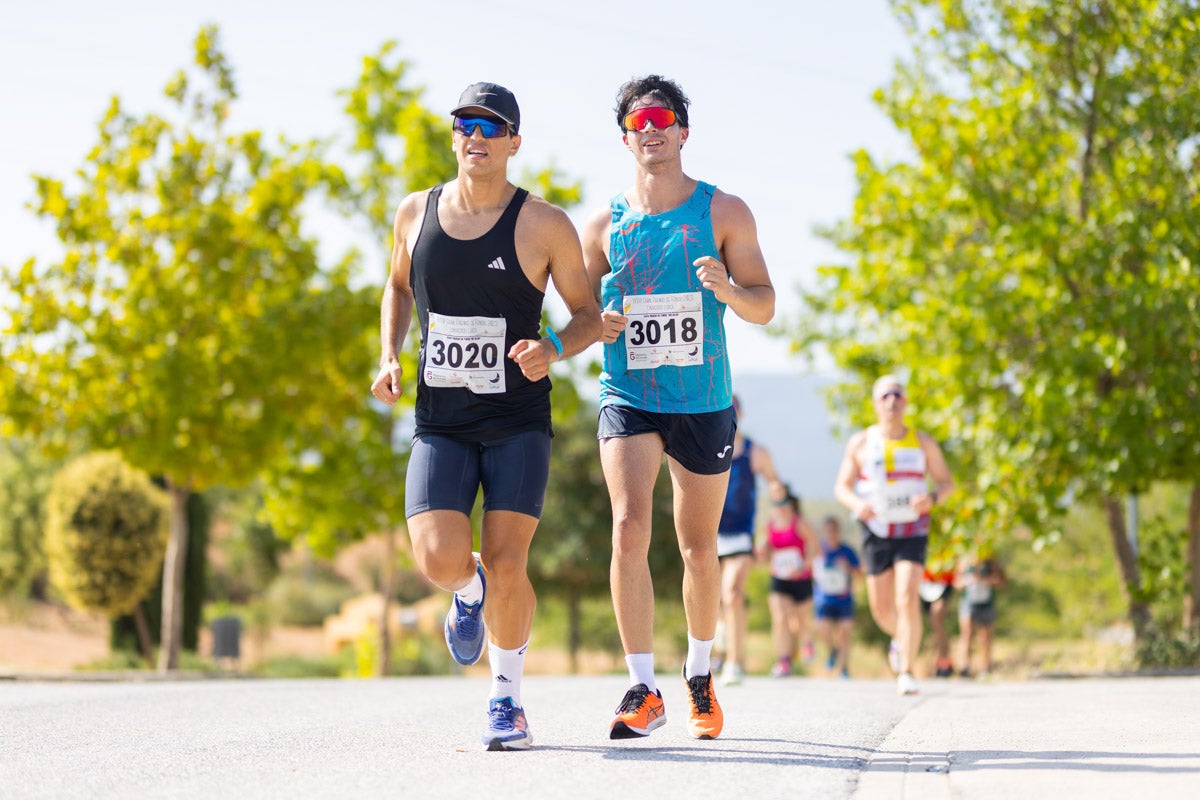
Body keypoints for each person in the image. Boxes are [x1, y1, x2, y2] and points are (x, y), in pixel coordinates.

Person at [370, 82, 601, 751]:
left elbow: (587, 316)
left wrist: (552, 347)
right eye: (465, 124)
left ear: (513, 144)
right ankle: (463, 591)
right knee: (440, 559)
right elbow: (396, 285)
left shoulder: (543, 224)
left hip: (517, 422)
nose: (476, 136)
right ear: (454, 137)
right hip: (442, 419)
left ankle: (506, 700)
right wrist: (388, 353)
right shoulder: (416, 212)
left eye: (492, 128)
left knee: (509, 562)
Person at [581, 74, 775, 741]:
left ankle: (698, 674)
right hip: (630, 394)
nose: (651, 129)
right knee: (629, 529)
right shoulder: (603, 226)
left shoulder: (725, 213)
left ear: (684, 132)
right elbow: (580, 317)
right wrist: (594, 327)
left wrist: (728, 288)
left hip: (703, 400)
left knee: (697, 548)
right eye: (638, 121)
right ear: (625, 137)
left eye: (663, 118)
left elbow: (766, 304)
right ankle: (641, 686)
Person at [834, 374, 954, 696]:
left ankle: (907, 670)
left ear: (906, 402)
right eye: (885, 395)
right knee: (882, 610)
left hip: (912, 528)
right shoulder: (861, 443)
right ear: (875, 404)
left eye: (897, 394)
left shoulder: (923, 442)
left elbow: (946, 483)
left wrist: (932, 499)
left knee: (907, 597)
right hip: (876, 529)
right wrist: (858, 504)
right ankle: (903, 638)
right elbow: (841, 487)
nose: (892, 400)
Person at [715, 395, 783, 685]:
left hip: (741, 533)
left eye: (734, 409)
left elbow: (774, 489)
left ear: (740, 413)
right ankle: (717, 641)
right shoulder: (706, 445)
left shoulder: (756, 452)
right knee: (712, 600)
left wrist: (767, 534)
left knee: (732, 593)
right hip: (708, 533)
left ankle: (735, 661)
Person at [762, 486, 818, 678]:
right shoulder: (769, 525)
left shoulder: (800, 524)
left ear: (791, 503)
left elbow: (815, 550)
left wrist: (803, 567)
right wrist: (762, 551)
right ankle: (783, 661)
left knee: (800, 622)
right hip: (779, 578)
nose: (780, 506)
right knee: (780, 619)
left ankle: (807, 642)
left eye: (783, 502)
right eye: (776, 503)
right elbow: (765, 551)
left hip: (801, 579)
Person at [812, 515, 863, 678]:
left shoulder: (847, 551)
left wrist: (847, 567)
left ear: (838, 531)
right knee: (823, 629)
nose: (831, 533)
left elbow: (860, 572)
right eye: (828, 530)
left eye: (834, 530)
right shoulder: (819, 550)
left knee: (845, 633)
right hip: (824, 598)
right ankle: (832, 650)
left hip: (844, 599)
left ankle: (844, 668)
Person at [957, 551, 1007, 678]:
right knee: (967, 634)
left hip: (986, 603)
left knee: (985, 637)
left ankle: (985, 667)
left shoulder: (991, 562)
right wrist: (969, 580)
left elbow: (1002, 582)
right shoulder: (964, 561)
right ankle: (965, 666)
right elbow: (957, 583)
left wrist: (985, 580)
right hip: (968, 602)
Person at [919, 558, 958, 677]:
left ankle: (944, 660)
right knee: (930, 624)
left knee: (937, 620)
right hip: (923, 582)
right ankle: (932, 661)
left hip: (943, 581)